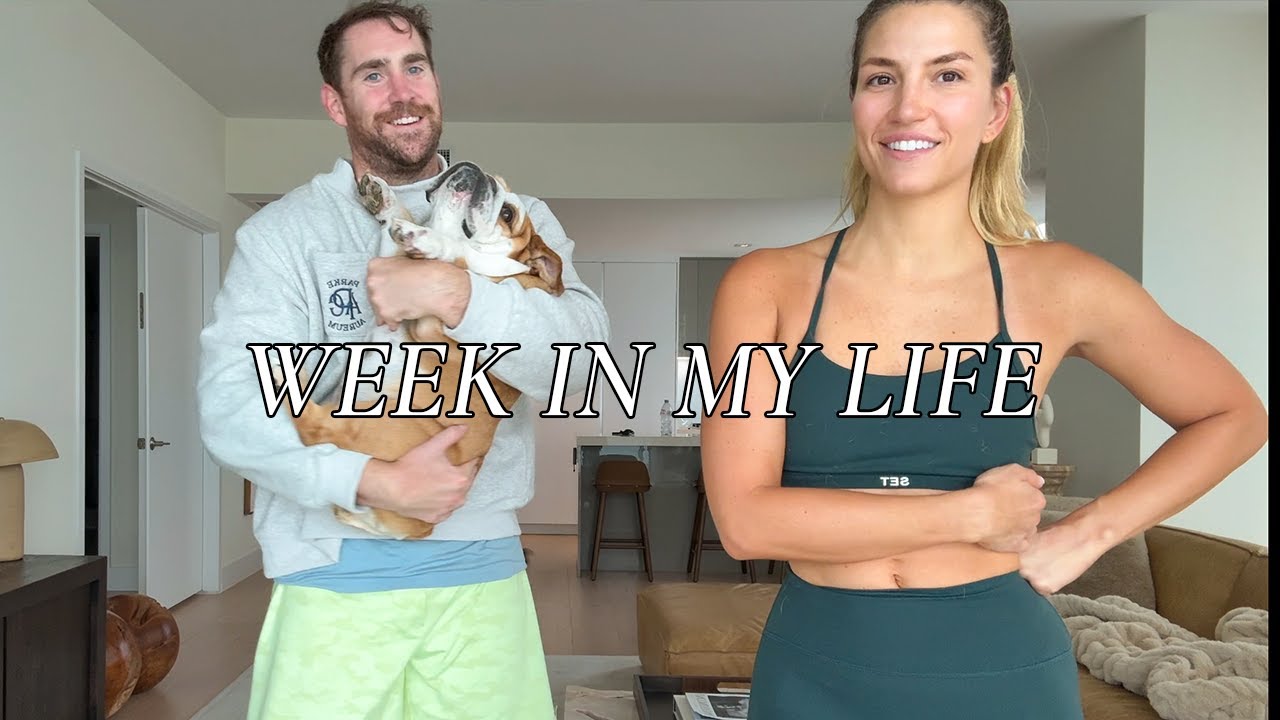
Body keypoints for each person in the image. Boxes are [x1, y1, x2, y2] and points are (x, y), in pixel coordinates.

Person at [699, 1, 1267, 718]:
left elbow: (1233, 415)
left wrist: (1085, 534)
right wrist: (969, 513)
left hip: (1002, 671)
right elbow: (746, 523)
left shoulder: (1058, 284)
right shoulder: (765, 286)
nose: (908, 107)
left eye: (947, 75)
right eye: (882, 78)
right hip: (814, 671)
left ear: (996, 109)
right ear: (857, 103)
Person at [195, 2, 609, 718]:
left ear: (436, 81)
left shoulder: (517, 216)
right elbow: (232, 406)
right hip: (331, 573)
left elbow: (584, 368)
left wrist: (459, 296)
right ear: (336, 103)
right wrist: (372, 481)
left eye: (414, 66)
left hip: (480, 568)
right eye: (373, 74)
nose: (402, 91)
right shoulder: (284, 235)